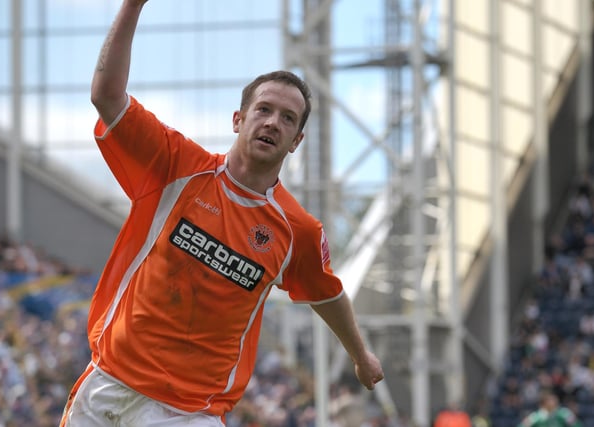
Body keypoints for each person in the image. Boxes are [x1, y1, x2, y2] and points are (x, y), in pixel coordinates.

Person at [59, 0, 384, 426]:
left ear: (297, 141)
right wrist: (133, 5)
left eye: (287, 118)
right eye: (264, 109)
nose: (272, 122)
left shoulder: (296, 231)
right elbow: (106, 95)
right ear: (238, 119)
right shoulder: (176, 166)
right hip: (109, 386)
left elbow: (327, 294)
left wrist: (360, 355)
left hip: (191, 412)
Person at [517, 391, 582, 427]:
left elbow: (576, 425)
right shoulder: (537, 416)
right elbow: (523, 425)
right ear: (544, 403)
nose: (554, 402)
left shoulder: (563, 413)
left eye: (554, 400)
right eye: (550, 400)